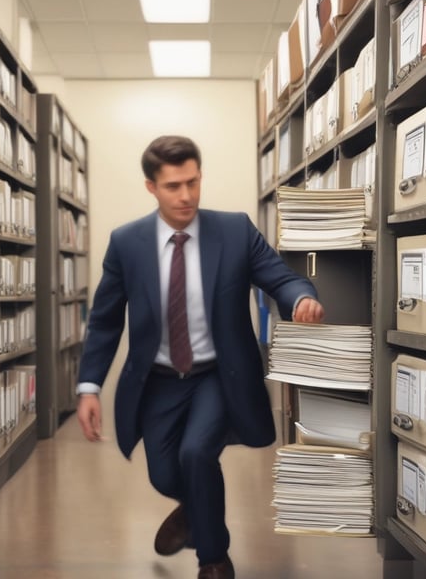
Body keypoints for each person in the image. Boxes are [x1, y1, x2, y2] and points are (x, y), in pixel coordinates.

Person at [75, 135, 324, 579]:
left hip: (217, 375)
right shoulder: (127, 243)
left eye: (192, 182)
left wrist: (301, 297)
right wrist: (89, 385)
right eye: (173, 186)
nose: (186, 195)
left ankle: (213, 558)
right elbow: (106, 320)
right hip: (159, 379)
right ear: (151, 187)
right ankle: (196, 508)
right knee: (162, 474)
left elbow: (278, 277)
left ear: (200, 176)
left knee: (196, 454)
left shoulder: (234, 230)